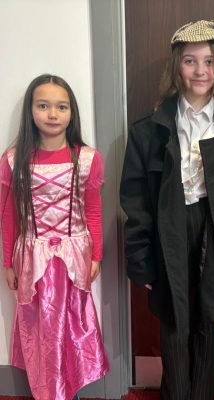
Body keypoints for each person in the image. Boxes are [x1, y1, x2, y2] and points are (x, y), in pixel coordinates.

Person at [120, 19, 214, 400]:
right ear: (176, 66)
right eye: (190, 61)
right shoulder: (149, 130)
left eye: (209, 61)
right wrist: (142, 261)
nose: (200, 71)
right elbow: (135, 202)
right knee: (174, 318)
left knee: (208, 318)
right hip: (171, 228)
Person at [0, 74, 109, 400]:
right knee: (41, 330)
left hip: (73, 259)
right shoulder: (13, 160)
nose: (52, 114)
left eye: (61, 107)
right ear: (30, 111)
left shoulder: (87, 158)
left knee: (72, 327)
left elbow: (93, 211)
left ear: (71, 112)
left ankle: (68, 390)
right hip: (32, 260)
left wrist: (96, 256)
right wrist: (8, 263)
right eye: (43, 106)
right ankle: (48, 392)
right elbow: (9, 216)